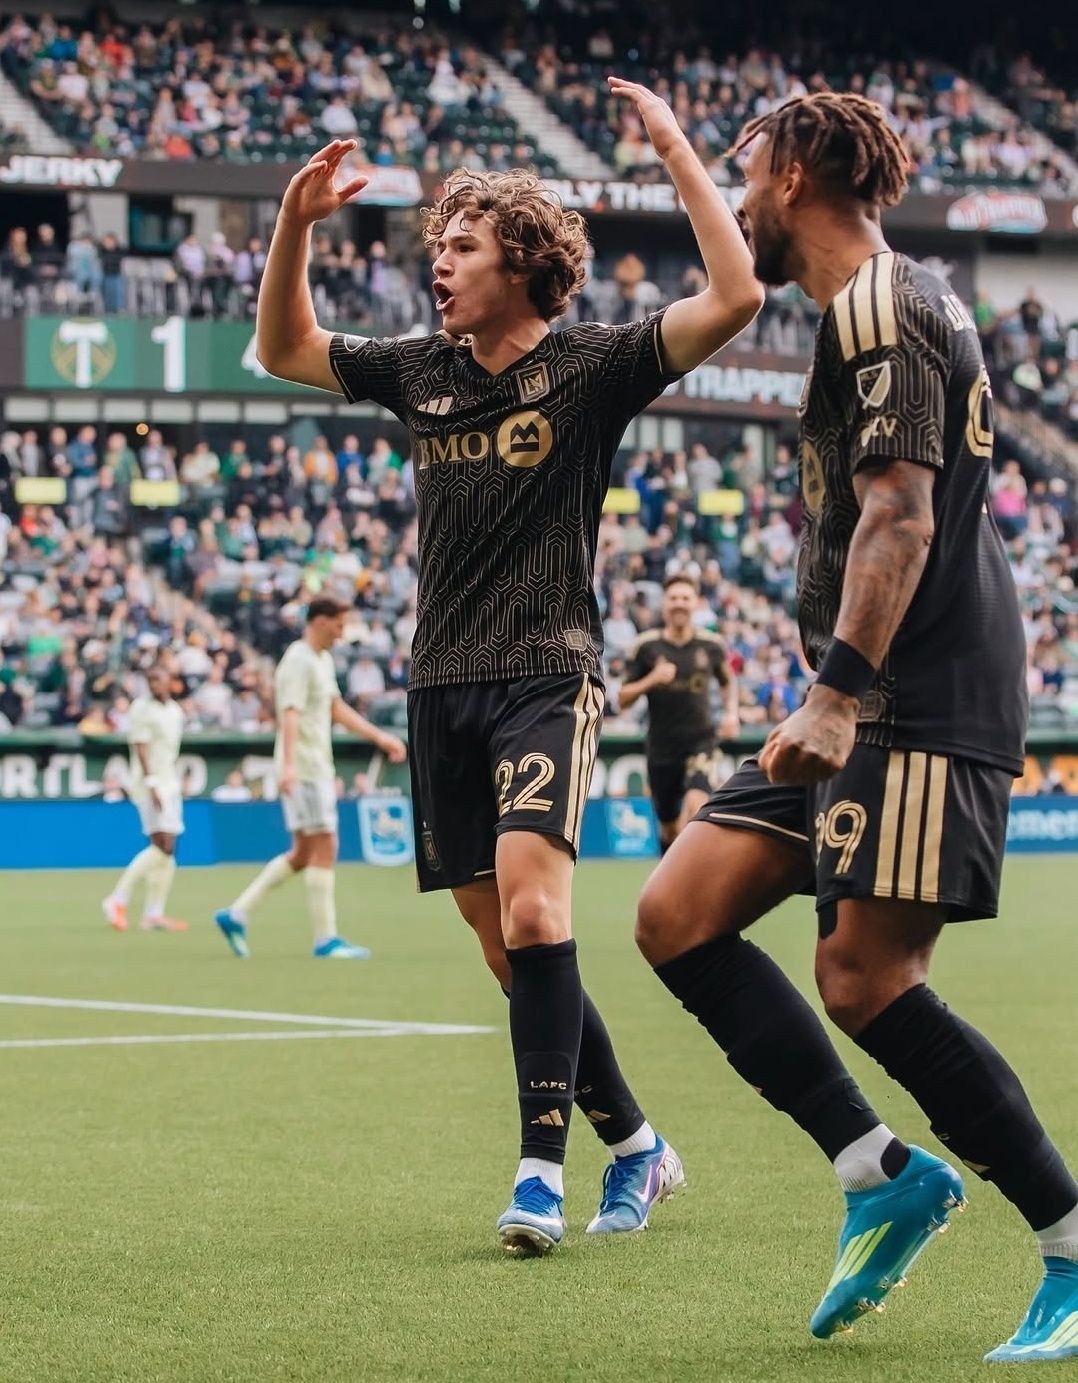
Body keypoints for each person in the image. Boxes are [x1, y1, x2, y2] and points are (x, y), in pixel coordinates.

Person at [251, 82, 763, 1255]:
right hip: (441, 688)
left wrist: (675, 150)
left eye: (464, 246)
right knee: (509, 951)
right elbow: (280, 347)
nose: (440, 265)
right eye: (438, 246)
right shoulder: (420, 369)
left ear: (524, 262)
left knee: (538, 910)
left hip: (547, 673)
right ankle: (637, 1145)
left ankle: (540, 1174)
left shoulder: (592, 366)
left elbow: (735, 294)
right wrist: (294, 224)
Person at [634, 90, 1078, 1360]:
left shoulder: (882, 305)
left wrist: (832, 694)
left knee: (865, 979)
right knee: (678, 914)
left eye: (741, 169)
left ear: (791, 178)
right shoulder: (874, 304)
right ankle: (877, 1169)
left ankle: (1064, 1240)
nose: (732, 194)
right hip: (861, 684)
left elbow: (899, 514)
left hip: (915, 694)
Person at [214, 596, 406, 959]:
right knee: (326, 845)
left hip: (314, 763)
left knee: (303, 853)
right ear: (319, 621)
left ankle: (236, 913)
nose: (341, 633)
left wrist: (378, 736)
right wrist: (288, 766)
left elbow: (335, 707)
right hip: (305, 766)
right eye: (337, 625)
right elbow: (289, 714)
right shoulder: (297, 662)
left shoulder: (322, 660)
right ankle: (325, 939)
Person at [619, 572, 740, 851]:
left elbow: (727, 682)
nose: (679, 604)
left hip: (701, 740)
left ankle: (692, 885)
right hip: (661, 747)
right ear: (665, 603)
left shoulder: (711, 645)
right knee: (669, 828)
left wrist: (731, 713)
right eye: (674, 598)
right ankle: (670, 883)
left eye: (685, 598)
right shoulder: (646, 647)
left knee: (696, 808)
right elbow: (622, 698)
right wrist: (651, 679)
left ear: (695, 603)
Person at [101, 662, 187, 933]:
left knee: (166, 852)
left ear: (169, 680)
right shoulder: (141, 708)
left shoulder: (175, 711)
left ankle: (153, 913)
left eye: (157, 679)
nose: (153, 685)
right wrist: (151, 784)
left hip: (169, 781)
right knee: (165, 845)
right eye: (149, 680)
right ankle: (117, 898)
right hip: (151, 783)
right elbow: (141, 747)